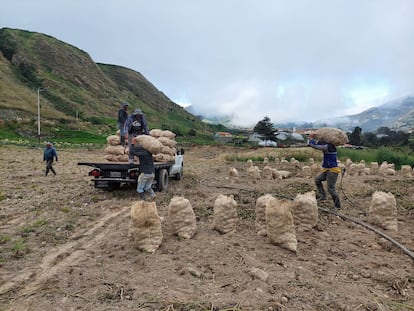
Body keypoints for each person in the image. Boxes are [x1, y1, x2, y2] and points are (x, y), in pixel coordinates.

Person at [308, 134, 341, 209]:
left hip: (333, 170)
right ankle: (323, 196)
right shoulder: (329, 145)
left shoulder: (328, 146)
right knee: (317, 180)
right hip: (328, 169)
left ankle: (338, 206)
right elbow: (317, 144)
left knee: (331, 189)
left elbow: (316, 146)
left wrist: (311, 139)